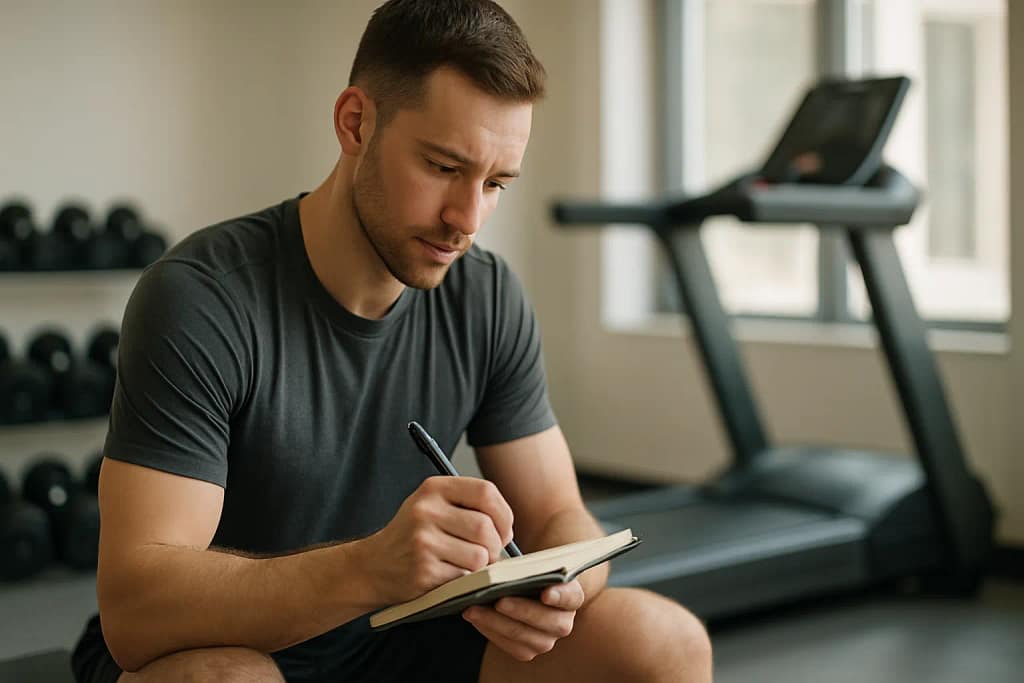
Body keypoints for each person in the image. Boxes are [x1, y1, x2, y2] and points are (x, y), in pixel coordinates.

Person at [71, 1, 712, 681]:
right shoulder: (201, 299)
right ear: (356, 123)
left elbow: (558, 512)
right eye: (442, 167)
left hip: (400, 636)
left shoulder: (487, 296)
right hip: (230, 644)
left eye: (494, 183)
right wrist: (372, 565)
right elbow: (137, 609)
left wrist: (562, 588)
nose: (467, 219)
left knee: (665, 642)